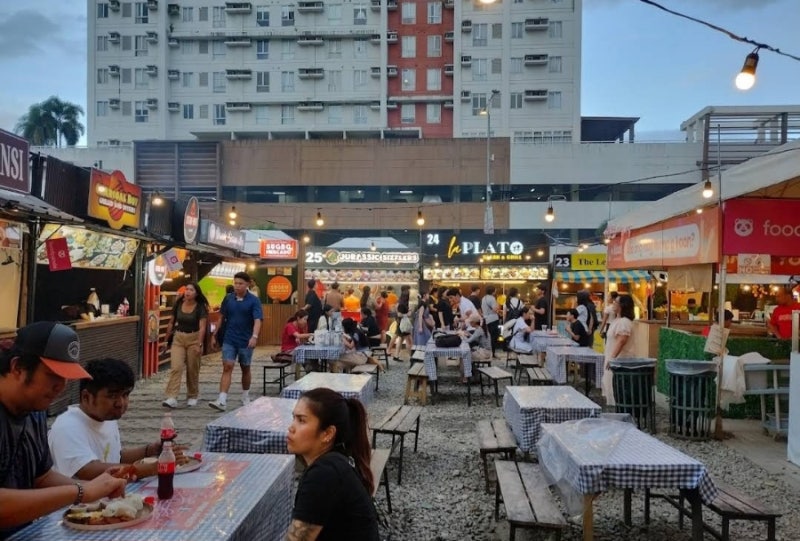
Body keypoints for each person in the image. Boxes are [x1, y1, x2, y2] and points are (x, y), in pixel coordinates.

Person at [0, 322, 127, 537]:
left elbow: (41, 477)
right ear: (18, 368)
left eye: (67, 377)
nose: (62, 386)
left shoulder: (35, 411)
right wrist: (81, 491)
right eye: (53, 376)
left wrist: (96, 486)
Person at [49, 358, 169, 481]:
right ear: (86, 397)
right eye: (112, 396)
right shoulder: (67, 427)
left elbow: (115, 459)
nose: (120, 403)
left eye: (125, 394)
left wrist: (150, 450)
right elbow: (88, 470)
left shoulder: (106, 418)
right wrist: (154, 468)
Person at [286, 388, 379, 540]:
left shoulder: (324, 474)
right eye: (293, 418)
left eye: (301, 420)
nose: (291, 427)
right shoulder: (337, 461)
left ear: (328, 434)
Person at [210, 271, 263, 411]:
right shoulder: (228, 299)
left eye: (240, 283)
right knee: (227, 366)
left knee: (245, 367)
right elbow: (221, 317)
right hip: (230, 338)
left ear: (247, 284)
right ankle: (222, 399)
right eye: (236, 283)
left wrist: (254, 336)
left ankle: (245, 394)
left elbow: (258, 320)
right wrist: (214, 334)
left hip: (246, 339)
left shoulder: (254, 300)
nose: (237, 286)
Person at [163, 282, 209, 408]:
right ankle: (172, 397)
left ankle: (192, 395)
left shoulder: (200, 307)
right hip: (178, 338)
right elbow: (171, 322)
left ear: (196, 293)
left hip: (194, 338)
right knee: (176, 367)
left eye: (191, 290)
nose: (188, 292)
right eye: (187, 289)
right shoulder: (178, 303)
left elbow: (202, 327)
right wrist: (166, 340)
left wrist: (199, 343)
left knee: (192, 369)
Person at [602, 295, 637, 406]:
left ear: (622, 305)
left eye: (616, 302)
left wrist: (613, 358)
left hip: (620, 361)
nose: (613, 303)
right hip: (614, 359)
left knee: (617, 389)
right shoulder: (617, 320)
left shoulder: (624, 322)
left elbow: (621, 341)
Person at [481, 285, 502, 357]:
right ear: (493, 291)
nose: (495, 291)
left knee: (488, 336)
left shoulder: (484, 298)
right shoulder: (492, 298)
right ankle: (493, 353)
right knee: (494, 337)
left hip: (486, 319)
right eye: (495, 290)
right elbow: (495, 309)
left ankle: (489, 352)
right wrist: (499, 303)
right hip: (493, 319)